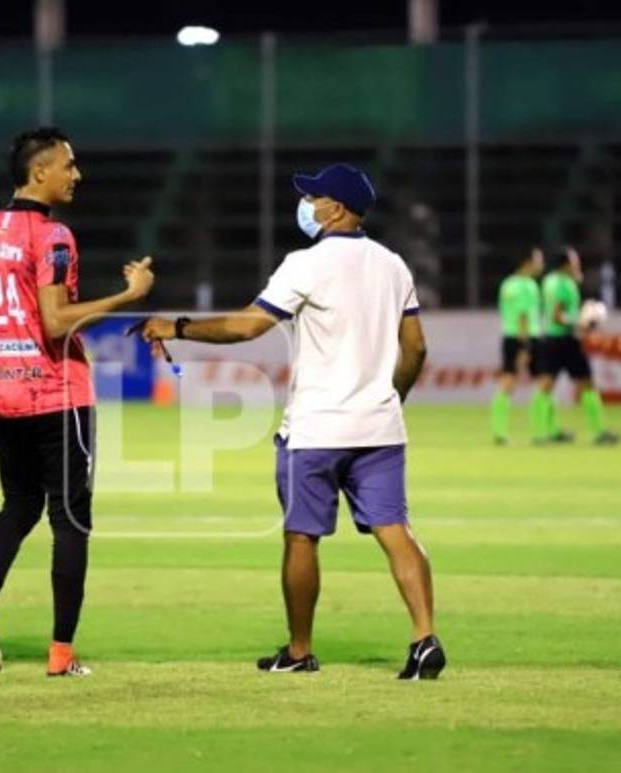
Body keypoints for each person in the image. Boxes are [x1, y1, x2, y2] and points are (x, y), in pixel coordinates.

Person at [142, 163, 443, 679]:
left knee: (302, 536)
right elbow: (415, 348)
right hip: (379, 427)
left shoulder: (306, 264)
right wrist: (391, 398)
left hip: (317, 428)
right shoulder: (394, 265)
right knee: (396, 530)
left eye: (315, 197)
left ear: (337, 209)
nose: (307, 205)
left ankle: (300, 651)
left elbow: (246, 326)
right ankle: (424, 638)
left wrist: (178, 326)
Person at [0, 127, 155, 677]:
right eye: (68, 165)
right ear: (39, 172)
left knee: (18, 505)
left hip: (4, 395)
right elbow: (55, 323)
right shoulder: (53, 236)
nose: (77, 175)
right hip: (58, 395)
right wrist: (129, 296)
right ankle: (61, 653)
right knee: (69, 520)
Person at [539, 247, 620, 445]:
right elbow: (558, 316)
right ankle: (599, 431)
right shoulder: (565, 284)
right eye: (575, 262)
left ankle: (542, 432)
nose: (578, 265)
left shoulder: (549, 281)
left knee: (546, 386)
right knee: (588, 384)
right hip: (565, 340)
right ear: (566, 264)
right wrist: (582, 323)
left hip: (549, 339)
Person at [491, 247, 546, 444]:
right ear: (527, 262)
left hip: (509, 336)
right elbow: (524, 315)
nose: (541, 265)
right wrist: (526, 346)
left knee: (507, 382)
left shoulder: (507, 284)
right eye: (538, 260)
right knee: (543, 382)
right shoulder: (528, 285)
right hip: (526, 337)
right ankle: (540, 432)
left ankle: (499, 431)